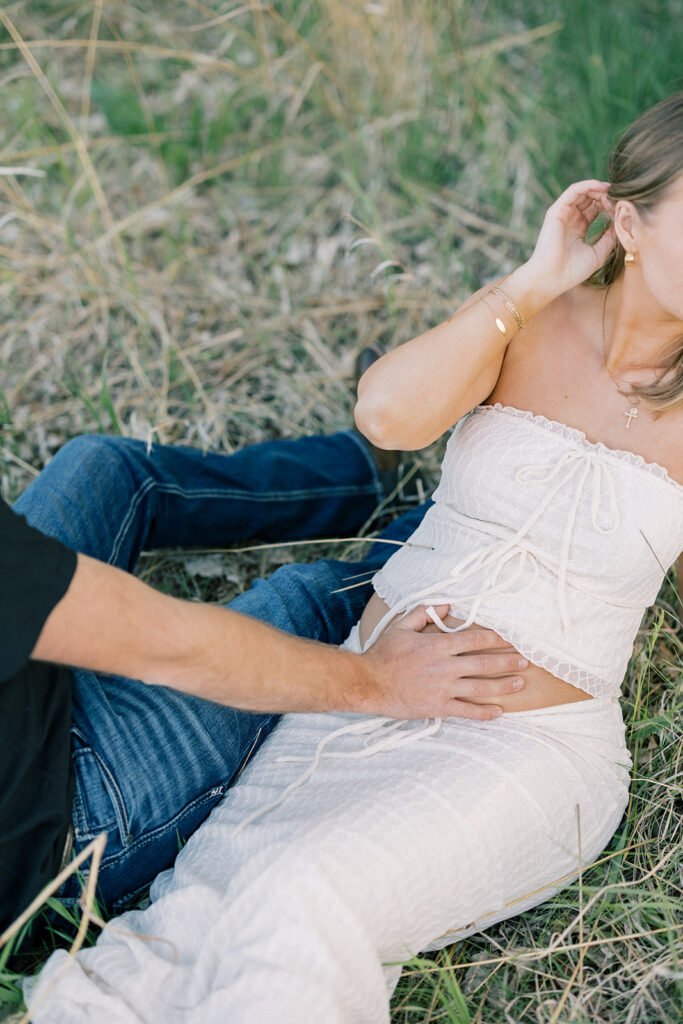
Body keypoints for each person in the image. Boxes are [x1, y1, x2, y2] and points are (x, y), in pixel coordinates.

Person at [25, 93, 683, 1023]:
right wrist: (528, 283)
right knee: (191, 918)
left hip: (527, 748)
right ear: (628, 223)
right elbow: (387, 416)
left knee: (303, 891)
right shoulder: (533, 319)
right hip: (363, 691)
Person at [1, 429, 526, 939]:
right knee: (308, 601)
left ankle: (358, 472)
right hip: (69, 814)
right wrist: (379, 678)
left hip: (27, 691)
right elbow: (171, 647)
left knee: (102, 468)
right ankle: (484, 527)